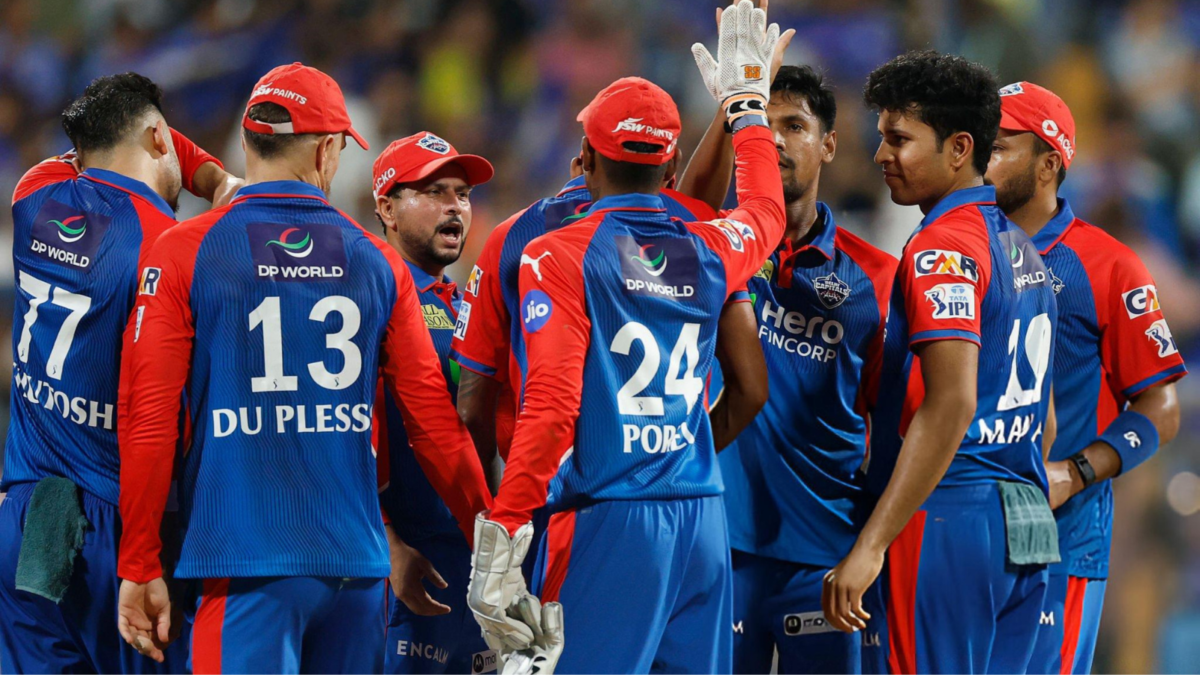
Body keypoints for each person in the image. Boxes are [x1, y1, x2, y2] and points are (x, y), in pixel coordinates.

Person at [115, 63, 492, 674]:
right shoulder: (378, 264)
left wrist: (139, 560)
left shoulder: (185, 251)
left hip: (245, 566)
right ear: (325, 151)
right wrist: (489, 541)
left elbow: (150, 418)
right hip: (357, 573)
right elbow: (436, 429)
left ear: (247, 142)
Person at [465, 3, 784, 671]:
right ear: (671, 171)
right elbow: (764, 210)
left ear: (583, 157)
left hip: (606, 515)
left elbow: (551, 405)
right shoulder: (709, 246)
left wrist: (507, 522)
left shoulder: (555, 254)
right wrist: (747, 106)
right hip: (702, 518)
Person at [822, 51, 1059, 674]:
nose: (881, 154)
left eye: (899, 139)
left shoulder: (943, 247)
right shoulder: (1026, 251)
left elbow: (952, 402)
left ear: (959, 149)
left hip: (949, 515)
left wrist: (872, 544)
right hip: (1027, 522)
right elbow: (1046, 421)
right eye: (882, 136)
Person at [0, 72, 238, 674]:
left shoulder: (33, 195)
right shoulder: (170, 248)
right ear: (159, 137)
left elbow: (103, 144)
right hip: (120, 529)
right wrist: (219, 181)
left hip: (23, 515)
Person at [679, 63, 897, 674]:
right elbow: (683, 206)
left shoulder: (879, 280)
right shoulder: (714, 247)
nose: (773, 138)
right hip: (718, 543)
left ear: (828, 144)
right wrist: (733, 106)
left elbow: (891, 427)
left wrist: (872, 545)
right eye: (762, 123)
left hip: (828, 561)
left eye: (794, 125)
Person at [451, 116, 763, 496]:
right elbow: (751, 389)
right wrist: (740, 110)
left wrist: (496, 507)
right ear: (671, 167)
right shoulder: (697, 233)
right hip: (681, 494)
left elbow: (473, 408)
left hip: (558, 493)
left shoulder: (516, 236)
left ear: (584, 159)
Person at [986, 82, 1186, 675]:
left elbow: (1160, 409)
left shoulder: (1108, 265)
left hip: (1059, 543)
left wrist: (1073, 473)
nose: (980, 159)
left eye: (999, 147)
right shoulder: (955, 249)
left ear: (1049, 163)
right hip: (960, 531)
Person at [370, 131, 499, 675]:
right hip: (405, 560)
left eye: (462, 194)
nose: (455, 206)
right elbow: (341, 433)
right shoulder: (368, 299)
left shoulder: (470, 301)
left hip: (476, 556)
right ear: (387, 209)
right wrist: (386, 541)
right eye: (434, 191)